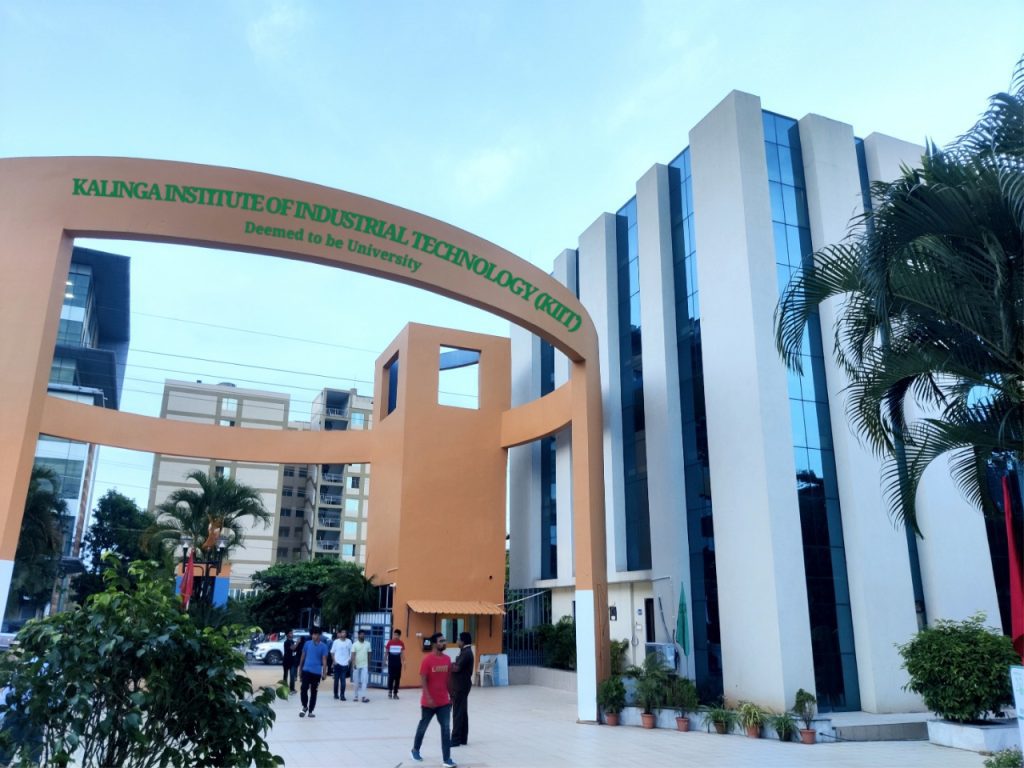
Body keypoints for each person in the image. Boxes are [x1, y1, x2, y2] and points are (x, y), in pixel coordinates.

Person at [409, 633, 455, 768]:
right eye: (441, 641)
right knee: (423, 727)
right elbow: (423, 679)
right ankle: (415, 750)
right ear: (435, 644)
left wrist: (451, 695)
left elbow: (448, 680)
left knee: (446, 729)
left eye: (444, 640)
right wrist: (428, 697)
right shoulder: (427, 660)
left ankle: (447, 759)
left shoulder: (447, 659)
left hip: (443, 702)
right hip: (428, 703)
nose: (444, 643)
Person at [298, 627, 330, 718]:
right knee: (303, 689)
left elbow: (324, 660)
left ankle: (311, 710)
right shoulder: (307, 644)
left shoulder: (324, 646)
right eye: (313, 634)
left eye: (316, 634)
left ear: (319, 635)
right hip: (306, 670)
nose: (314, 636)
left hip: (316, 672)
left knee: (313, 691)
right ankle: (305, 706)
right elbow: (302, 657)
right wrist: (300, 669)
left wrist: (324, 672)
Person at [449, 632, 474, 747]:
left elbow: (457, 668)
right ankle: (463, 738)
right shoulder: (465, 651)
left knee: (457, 713)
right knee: (462, 712)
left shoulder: (466, 653)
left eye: (458, 639)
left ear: (463, 641)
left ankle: (455, 740)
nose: (457, 641)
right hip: (462, 685)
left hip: (460, 686)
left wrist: (447, 665)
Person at [330, 629, 353, 700]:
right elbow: (332, 652)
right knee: (336, 680)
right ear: (340, 634)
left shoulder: (349, 641)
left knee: (343, 680)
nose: (343, 634)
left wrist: (349, 660)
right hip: (337, 663)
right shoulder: (336, 642)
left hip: (345, 663)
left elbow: (351, 651)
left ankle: (342, 695)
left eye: (345, 632)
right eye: (342, 632)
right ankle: (335, 694)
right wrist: (334, 661)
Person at [351, 629, 372, 703]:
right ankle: (356, 696)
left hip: (365, 665)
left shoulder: (368, 644)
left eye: (363, 634)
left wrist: (369, 664)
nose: (362, 635)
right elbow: (353, 655)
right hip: (356, 665)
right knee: (356, 681)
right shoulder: (355, 644)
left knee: (364, 681)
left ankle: (363, 697)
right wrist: (353, 664)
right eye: (361, 634)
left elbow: (369, 654)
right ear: (358, 635)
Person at [385, 628, 406, 699]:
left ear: (399, 636)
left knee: (397, 678)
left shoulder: (401, 643)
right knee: (391, 678)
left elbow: (402, 654)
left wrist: (404, 662)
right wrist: (384, 661)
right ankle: (390, 691)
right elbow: (386, 652)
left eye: (397, 635)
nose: (395, 636)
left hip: (398, 664)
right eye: (394, 635)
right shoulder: (390, 642)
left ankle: (395, 693)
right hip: (391, 663)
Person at [281, 630, 299, 694]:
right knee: (285, 675)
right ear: (287, 635)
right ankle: (284, 688)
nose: (292, 634)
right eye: (290, 633)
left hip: (292, 660)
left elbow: (294, 650)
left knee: (292, 675)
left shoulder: (292, 641)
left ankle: (292, 689)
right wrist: (297, 643)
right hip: (286, 660)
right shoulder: (286, 642)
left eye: (292, 633)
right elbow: (292, 648)